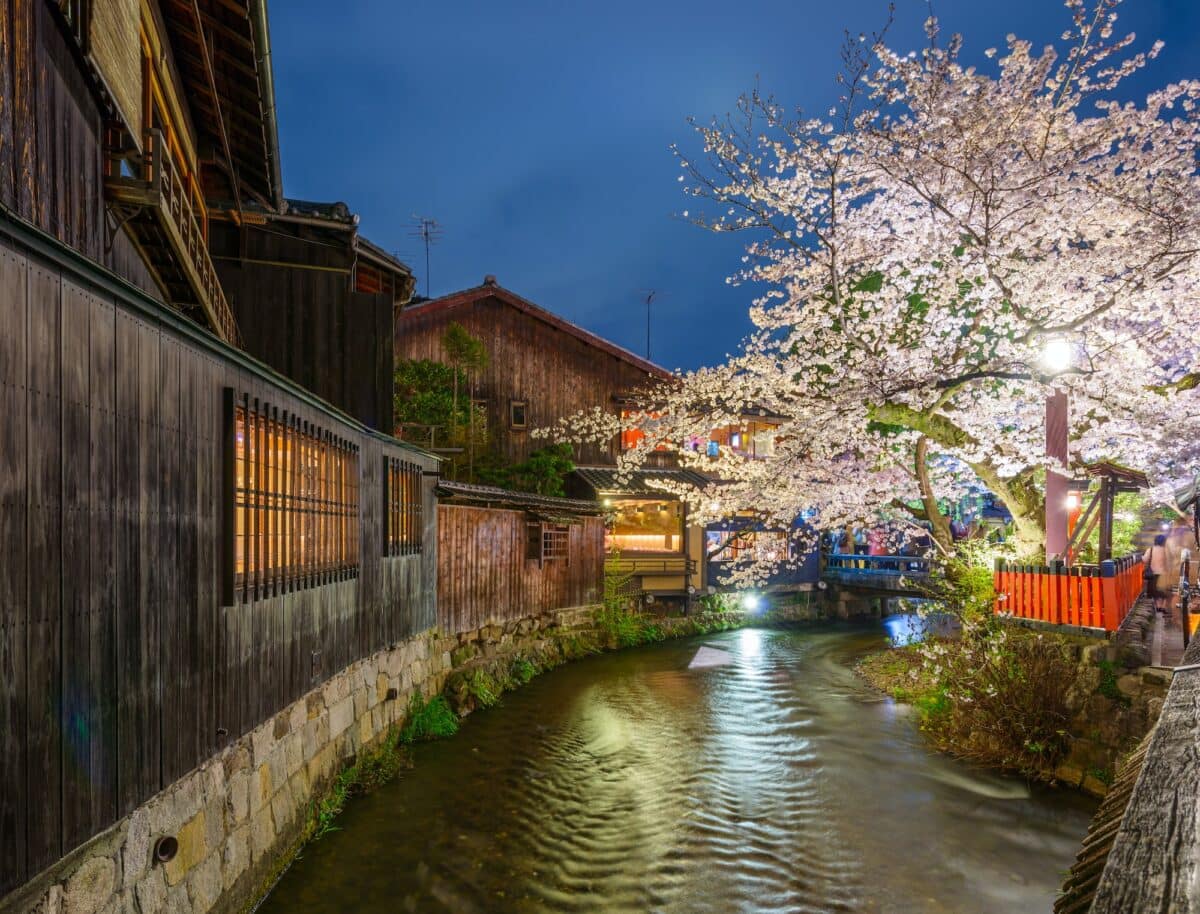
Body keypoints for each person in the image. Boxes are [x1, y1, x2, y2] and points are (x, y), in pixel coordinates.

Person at [1144, 533, 1172, 615]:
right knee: (1164, 592)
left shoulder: (1151, 550)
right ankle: (1163, 607)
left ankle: (1157, 606)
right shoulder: (1166, 550)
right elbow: (1170, 563)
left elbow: (1145, 560)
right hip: (1164, 574)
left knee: (1155, 592)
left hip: (1153, 574)